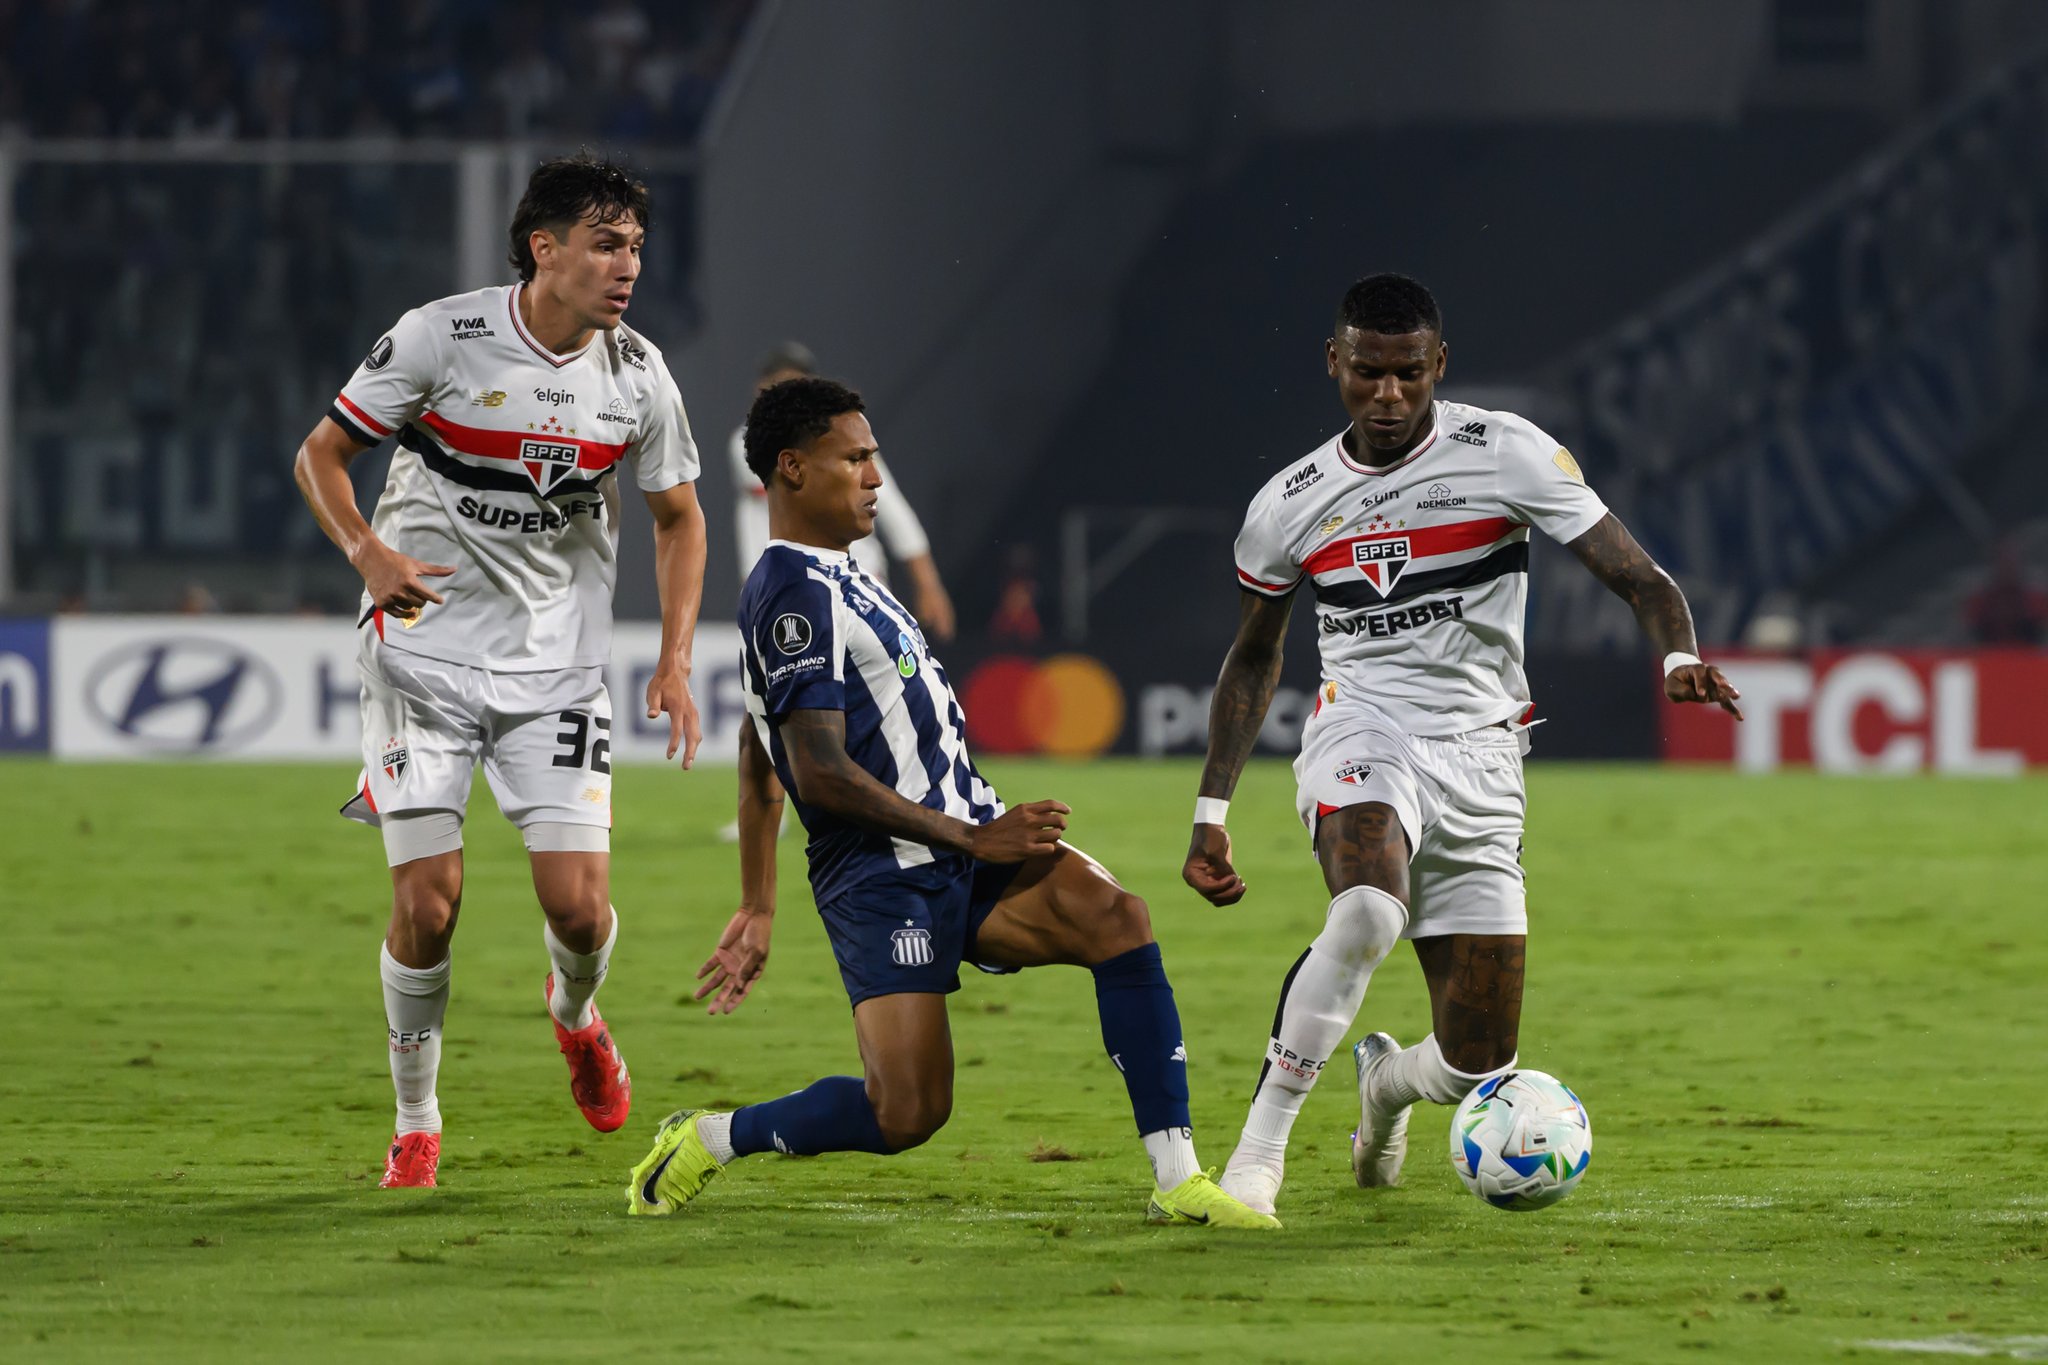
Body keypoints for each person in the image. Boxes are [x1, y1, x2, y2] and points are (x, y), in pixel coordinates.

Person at [627, 376, 1275, 1229]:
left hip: (965, 843)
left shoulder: (846, 575)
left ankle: (1178, 1178)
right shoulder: (790, 590)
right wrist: (968, 837)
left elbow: (757, 745)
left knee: (1117, 917)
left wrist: (758, 901)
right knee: (907, 1112)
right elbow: (813, 771)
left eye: (874, 457)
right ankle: (712, 1136)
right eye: (854, 459)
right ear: (792, 468)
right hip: (884, 874)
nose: (874, 478)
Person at [1182, 274, 1743, 1217]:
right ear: (1333, 363)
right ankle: (1256, 1158)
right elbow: (1254, 657)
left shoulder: (1505, 452)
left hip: (1484, 758)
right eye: (1367, 372)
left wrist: (1679, 654)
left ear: (1439, 364)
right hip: (1363, 729)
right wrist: (1212, 808)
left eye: (1409, 373)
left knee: (1478, 1061)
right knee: (1367, 910)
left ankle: (1384, 1086)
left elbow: (1643, 579)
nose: (1388, 395)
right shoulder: (1288, 504)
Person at [294, 153, 708, 1189]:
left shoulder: (638, 375)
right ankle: (416, 1121)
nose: (628, 266)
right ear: (544, 248)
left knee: (579, 911)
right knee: (428, 906)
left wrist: (673, 658)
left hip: (556, 672)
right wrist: (368, 554)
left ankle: (575, 1012)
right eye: (606, 245)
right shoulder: (440, 337)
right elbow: (321, 456)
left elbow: (680, 518)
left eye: (636, 247)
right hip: (419, 660)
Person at [718, 342, 956, 841]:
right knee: (773, 713)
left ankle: (910, 804)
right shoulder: (749, 446)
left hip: (856, 584)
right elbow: (754, 520)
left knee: (861, 707)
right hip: (792, 590)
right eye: (768, 390)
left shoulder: (839, 444)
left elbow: (893, 509)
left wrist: (927, 580)